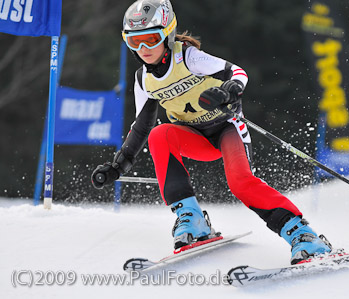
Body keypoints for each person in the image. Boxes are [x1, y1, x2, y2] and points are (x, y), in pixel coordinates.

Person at [91, 0, 331, 265]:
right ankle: (193, 221)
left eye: (150, 39)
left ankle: (304, 236)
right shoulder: (143, 79)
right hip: (195, 139)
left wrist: (228, 90)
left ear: (168, 33)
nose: (144, 48)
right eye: (134, 41)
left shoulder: (188, 57)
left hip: (227, 129)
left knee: (240, 183)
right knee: (160, 134)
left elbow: (237, 72)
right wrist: (119, 165)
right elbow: (141, 127)